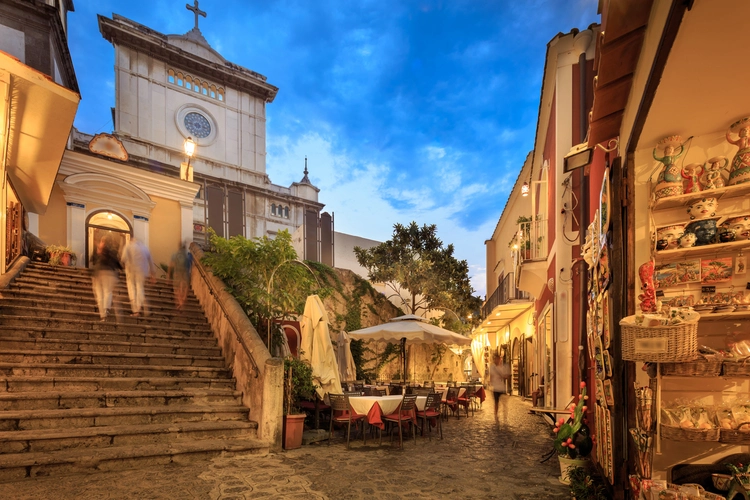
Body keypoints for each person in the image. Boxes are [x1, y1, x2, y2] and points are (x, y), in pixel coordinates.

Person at [120, 237, 154, 316]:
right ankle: (139, 306)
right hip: (142, 272)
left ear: (132, 240)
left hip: (131, 271)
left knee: (131, 289)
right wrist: (153, 273)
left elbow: (123, 259)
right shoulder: (145, 248)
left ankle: (135, 310)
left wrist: (123, 267)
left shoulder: (128, 246)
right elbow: (151, 261)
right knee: (140, 288)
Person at [91, 236, 122, 321]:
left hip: (100, 272)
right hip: (109, 273)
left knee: (100, 294)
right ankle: (106, 309)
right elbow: (118, 263)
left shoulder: (102, 251)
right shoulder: (113, 251)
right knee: (107, 292)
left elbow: (93, 259)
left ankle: (103, 314)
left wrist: (99, 250)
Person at [168, 241, 193, 310]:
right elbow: (190, 266)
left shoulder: (175, 255)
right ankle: (183, 299)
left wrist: (168, 276)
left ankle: (180, 301)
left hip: (177, 273)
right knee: (184, 287)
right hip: (185, 273)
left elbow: (170, 266)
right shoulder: (188, 256)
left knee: (177, 288)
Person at [489, 353, 510, 423]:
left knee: (504, 403)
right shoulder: (492, 367)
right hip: (496, 388)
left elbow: (506, 376)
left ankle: (505, 416)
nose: (497, 360)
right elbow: (491, 376)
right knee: (496, 403)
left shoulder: (503, 367)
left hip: (502, 388)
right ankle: (496, 415)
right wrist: (491, 384)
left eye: (498, 359)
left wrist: (505, 376)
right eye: (496, 359)